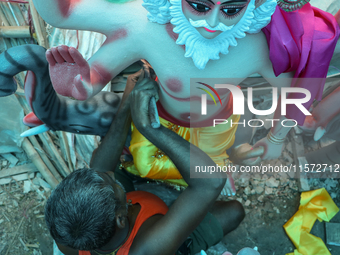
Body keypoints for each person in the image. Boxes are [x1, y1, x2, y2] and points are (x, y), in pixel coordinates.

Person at [30, 0, 340, 194]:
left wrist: (275, 140)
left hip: (219, 123)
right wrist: (81, 87)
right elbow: (64, 14)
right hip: (158, 117)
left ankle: (213, 176)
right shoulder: (145, 25)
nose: (214, 22)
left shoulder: (257, 45)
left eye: (231, 9)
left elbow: (293, 96)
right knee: (145, 163)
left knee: (214, 167)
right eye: (200, 5)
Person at [45, 71, 245, 255]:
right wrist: (149, 127)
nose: (110, 173)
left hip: (133, 211)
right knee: (234, 212)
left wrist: (127, 104)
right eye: (113, 183)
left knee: (106, 173)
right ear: (121, 218)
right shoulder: (147, 248)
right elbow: (211, 181)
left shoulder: (67, 237)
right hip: (165, 241)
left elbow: (101, 169)